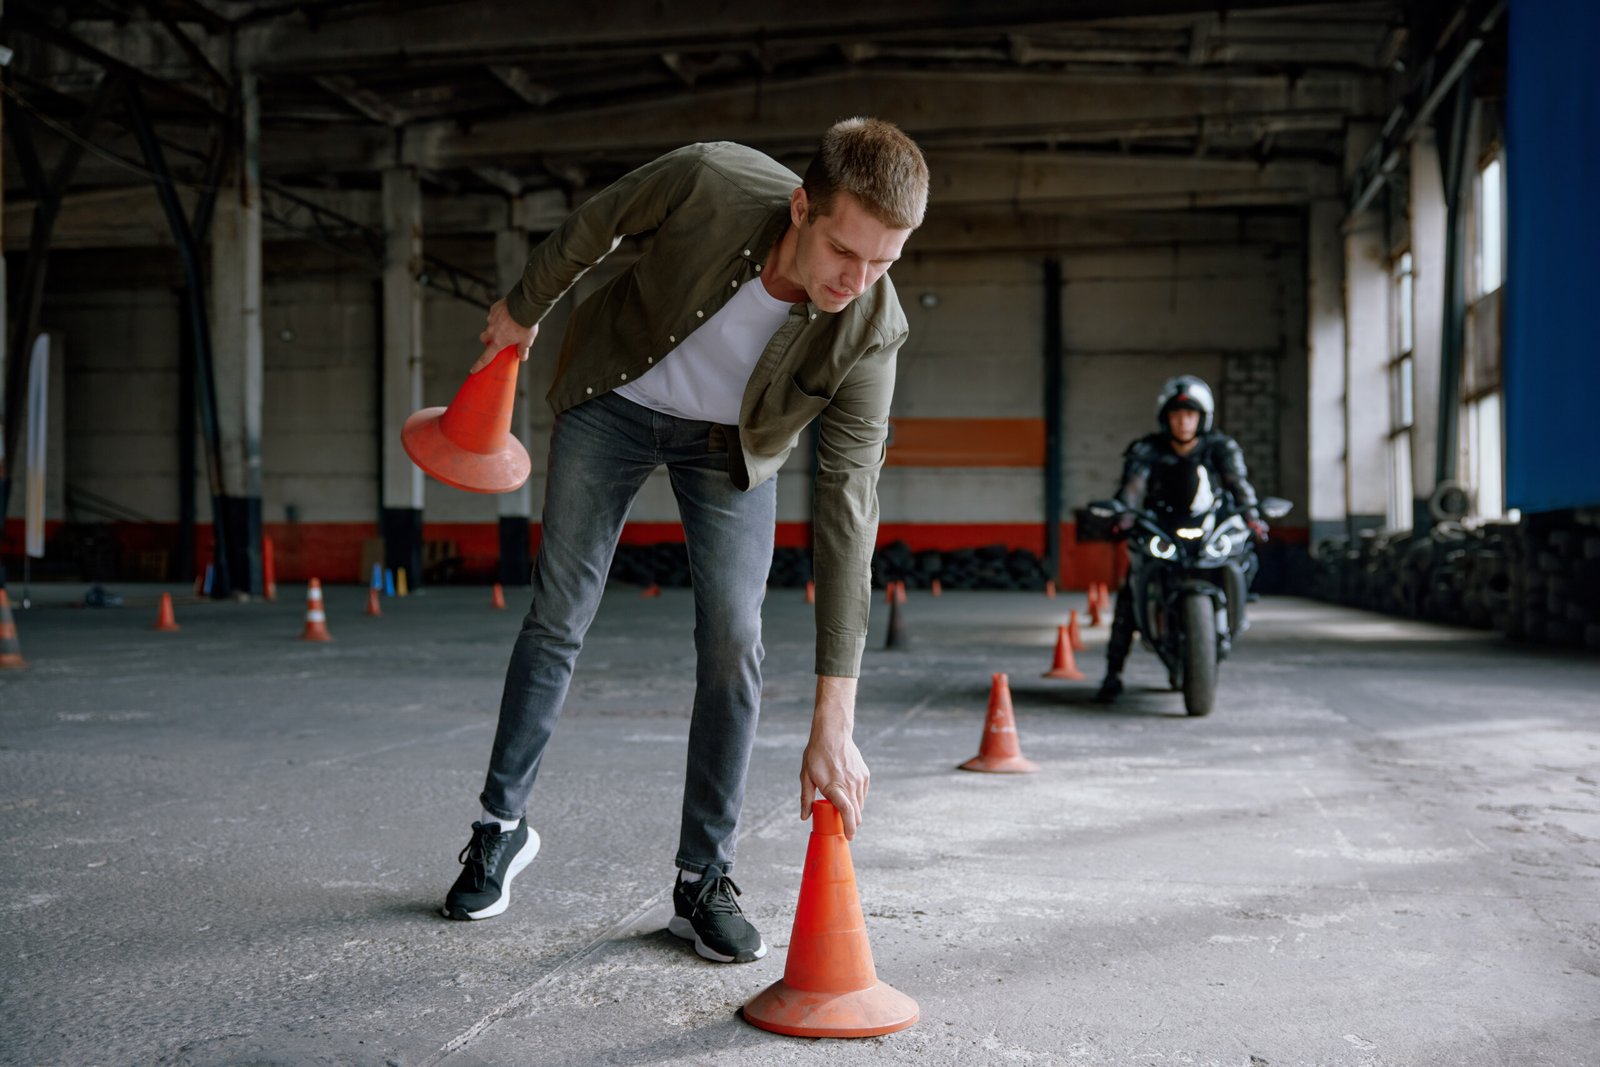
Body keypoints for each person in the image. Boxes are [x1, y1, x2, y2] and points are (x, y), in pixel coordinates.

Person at [440, 119, 929, 966]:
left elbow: (851, 503)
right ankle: (499, 827)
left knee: (736, 641)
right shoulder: (710, 179)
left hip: (731, 449)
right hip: (614, 399)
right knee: (560, 612)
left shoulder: (871, 329)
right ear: (802, 205)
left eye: (886, 261)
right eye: (847, 251)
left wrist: (833, 721)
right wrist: (524, 310)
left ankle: (703, 878)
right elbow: (599, 223)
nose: (859, 280)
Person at [1094, 375, 1266, 704]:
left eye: (1190, 415)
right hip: (1162, 527)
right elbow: (1133, 488)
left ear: (1203, 418)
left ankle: (1235, 612)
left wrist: (1253, 517)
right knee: (1130, 591)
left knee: (1245, 558)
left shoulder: (1220, 447)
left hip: (1209, 526)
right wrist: (1123, 517)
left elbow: (1239, 485)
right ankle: (1113, 673)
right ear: (1166, 418)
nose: (1184, 422)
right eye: (1177, 415)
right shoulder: (1147, 449)